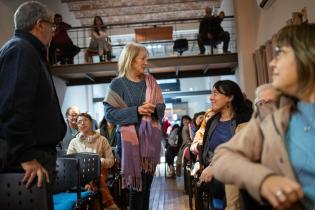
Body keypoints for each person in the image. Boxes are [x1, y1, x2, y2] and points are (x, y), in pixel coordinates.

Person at [212, 24, 315, 210]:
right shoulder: (272, 114)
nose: (271, 63)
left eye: (280, 54)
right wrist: (265, 180)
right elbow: (222, 157)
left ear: (307, 56)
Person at [0, 1, 66, 188]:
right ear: (40, 24)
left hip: (34, 153)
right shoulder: (22, 50)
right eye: (52, 25)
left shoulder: (26, 49)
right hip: (29, 159)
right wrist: (26, 156)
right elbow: (13, 108)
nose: (53, 31)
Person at [103, 42, 165, 210]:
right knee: (136, 188)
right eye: (143, 59)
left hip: (150, 141)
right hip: (128, 141)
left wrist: (152, 110)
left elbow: (161, 107)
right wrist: (137, 110)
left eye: (147, 59)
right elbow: (109, 114)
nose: (146, 63)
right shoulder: (117, 84)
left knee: (146, 188)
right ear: (130, 60)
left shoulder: (151, 81)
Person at [191, 80, 253, 210]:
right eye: (211, 93)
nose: (211, 97)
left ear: (230, 97)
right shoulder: (212, 122)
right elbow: (206, 152)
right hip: (213, 176)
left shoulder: (245, 119)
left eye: (215, 93)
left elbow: (243, 151)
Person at [67, 113, 119, 210]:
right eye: (79, 122)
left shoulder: (102, 140)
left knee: (95, 177)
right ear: (77, 126)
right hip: (81, 174)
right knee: (93, 182)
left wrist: (100, 161)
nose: (82, 123)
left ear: (91, 123)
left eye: (85, 120)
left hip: (101, 171)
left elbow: (111, 161)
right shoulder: (74, 142)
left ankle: (90, 189)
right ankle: (110, 205)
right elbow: (69, 163)